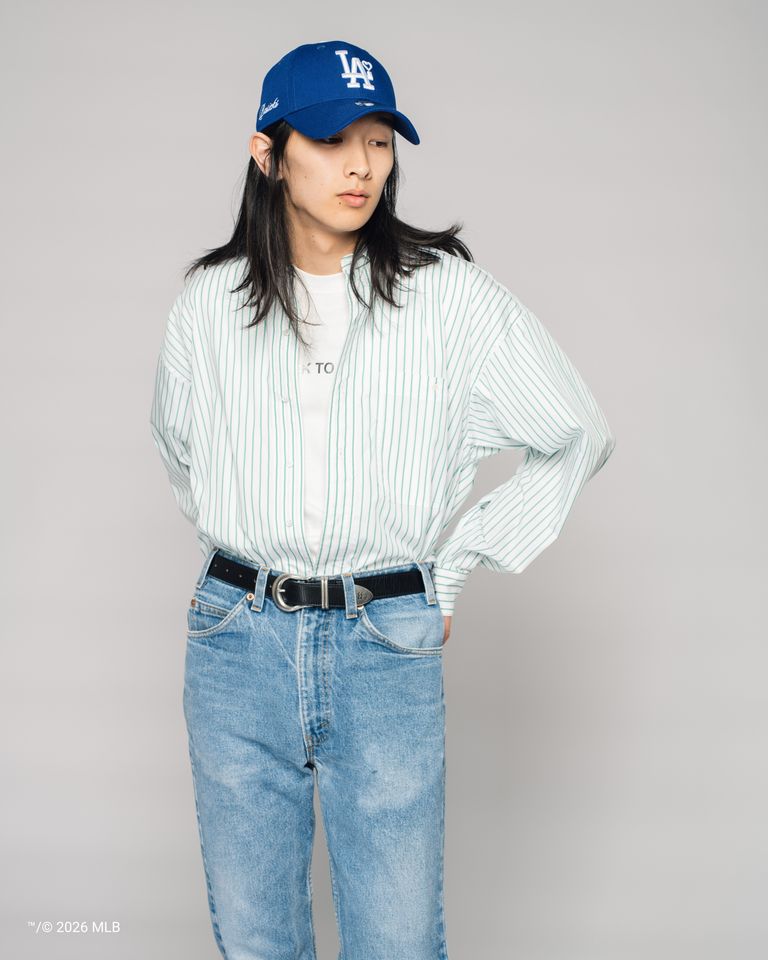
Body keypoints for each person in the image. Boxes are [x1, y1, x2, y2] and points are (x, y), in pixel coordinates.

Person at [150, 39, 615, 960]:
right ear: (268, 153)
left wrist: (452, 571)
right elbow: (182, 451)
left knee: (398, 942)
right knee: (254, 940)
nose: (360, 165)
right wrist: (245, 560)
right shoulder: (208, 304)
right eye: (331, 140)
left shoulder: (450, 299)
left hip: (384, 640)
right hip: (236, 642)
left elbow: (576, 431)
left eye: (378, 140)